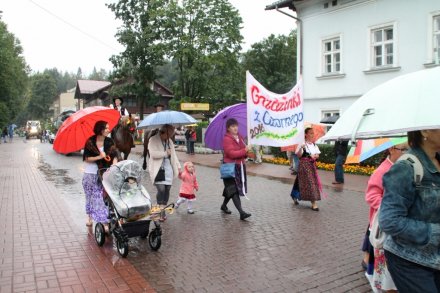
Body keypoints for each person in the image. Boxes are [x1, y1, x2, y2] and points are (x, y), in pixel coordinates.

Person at [379, 129, 440, 293]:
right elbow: (390, 221)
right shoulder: (406, 167)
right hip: (409, 259)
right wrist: (435, 233)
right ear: (426, 130)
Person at [365, 144, 408, 292]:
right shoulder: (383, 170)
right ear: (391, 149)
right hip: (385, 225)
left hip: (396, 224)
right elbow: (371, 196)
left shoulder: (402, 168)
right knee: (386, 270)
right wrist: (392, 206)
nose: (406, 154)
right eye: (403, 150)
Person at [82, 121, 118, 229]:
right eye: (106, 128)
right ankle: (89, 216)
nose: (108, 130)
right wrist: (99, 157)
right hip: (90, 174)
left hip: (104, 174)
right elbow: (86, 159)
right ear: (100, 130)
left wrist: (114, 166)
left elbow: (115, 155)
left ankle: (104, 222)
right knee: (89, 197)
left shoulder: (110, 141)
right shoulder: (90, 142)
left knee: (99, 198)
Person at [148, 124, 181, 221]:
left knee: (167, 190)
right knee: (161, 189)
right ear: (163, 132)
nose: (169, 137)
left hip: (168, 169)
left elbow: (174, 155)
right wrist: (165, 153)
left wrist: (178, 167)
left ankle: (163, 210)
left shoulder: (169, 141)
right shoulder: (153, 140)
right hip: (158, 169)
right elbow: (153, 154)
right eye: (168, 135)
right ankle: (160, 209)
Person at [221, 118, 251, 220]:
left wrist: (247, 152)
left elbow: (243, 153)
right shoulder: (227, 139)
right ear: (228, 128)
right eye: (233, 126)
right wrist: (244, 151)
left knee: (231, 189)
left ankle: (223, 205)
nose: (235, 128)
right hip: (230, 167)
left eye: (236, 126)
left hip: (239, 166)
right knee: (234, 190)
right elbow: (231, 154)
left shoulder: (240, 137)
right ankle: (241, 212)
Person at [291, 126, 322, 211]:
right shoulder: (302, 144)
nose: (312, 135)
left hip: (312, 166)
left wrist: (315, 156)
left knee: (300, 182)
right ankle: (314, 203)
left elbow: (317, 155)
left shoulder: (314, 145)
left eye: (313, 133)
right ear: (306, 134)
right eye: (311, 133)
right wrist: (301, 147)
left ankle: (294, 195)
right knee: (311, 183)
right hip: (304, 166)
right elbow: (299, 155)